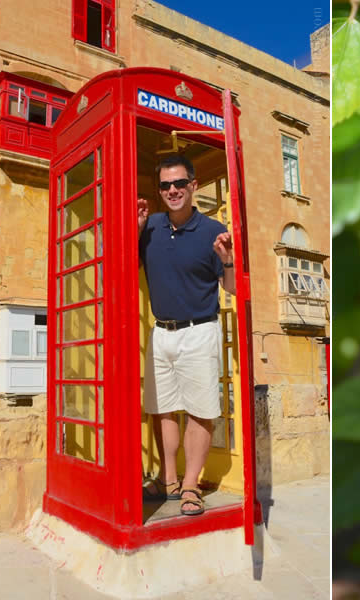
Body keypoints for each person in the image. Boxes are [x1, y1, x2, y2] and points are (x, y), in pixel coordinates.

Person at [138, 154, 235, 516]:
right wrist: (135, 227)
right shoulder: (151, 226)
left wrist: (226, 259)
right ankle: (168, 479)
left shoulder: (213, 231)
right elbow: (120, 263)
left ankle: (191, 485)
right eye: (166, 185)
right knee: (162, 410)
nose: (173, 190)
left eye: (180, 183)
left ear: (194, 185)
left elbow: (232, 287)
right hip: (161, 332)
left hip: (199, 331)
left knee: (199, 411)